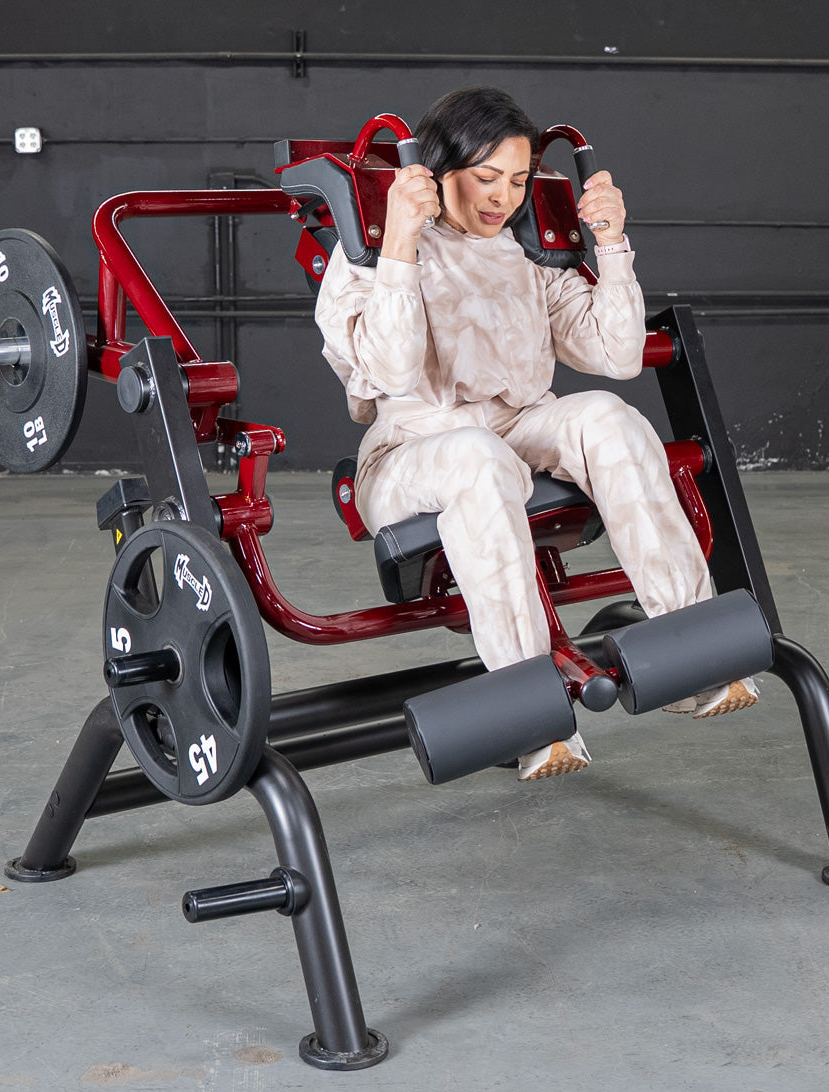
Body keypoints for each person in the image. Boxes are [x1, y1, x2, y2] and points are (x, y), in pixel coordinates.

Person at [315, 87, 757, 781]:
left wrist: (612, 245)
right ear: (435, 171)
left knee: (611, 418)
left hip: (516, 426)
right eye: (486, 179)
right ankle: (534, 717)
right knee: (476, 457)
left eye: (518, 182)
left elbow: (617, 357)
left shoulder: (525, 251)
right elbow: (392, 370)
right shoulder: (369, 251)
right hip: (412, 450)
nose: (503, 199)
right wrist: (400, 241)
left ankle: (693, 654)